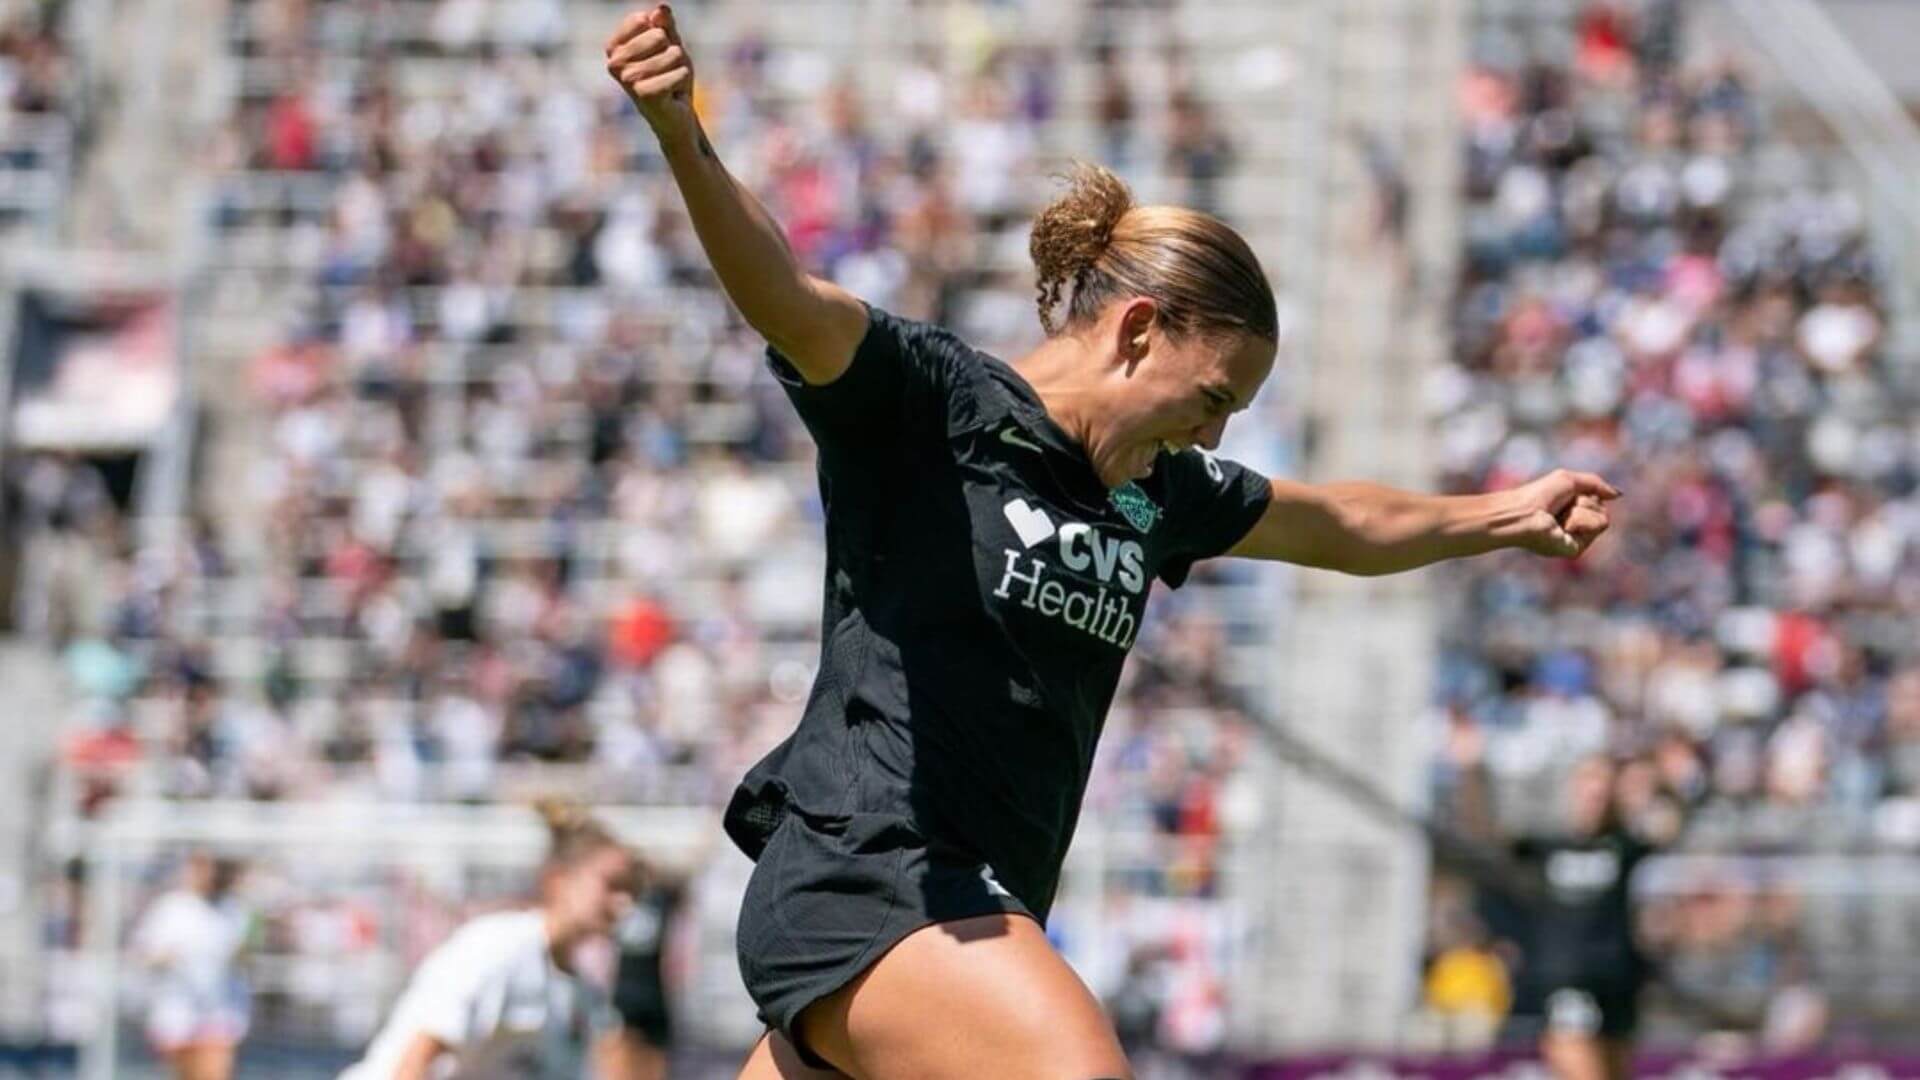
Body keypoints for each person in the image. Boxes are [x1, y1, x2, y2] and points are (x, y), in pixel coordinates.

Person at [605, 8, 1619, 1076]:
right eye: (1213, 396)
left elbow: (1336, 522)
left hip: (962, 914)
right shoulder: (932, 405)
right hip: (875, 879)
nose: (1216, 433)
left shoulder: (1157, 494)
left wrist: (1503, 514)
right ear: (1138, 332)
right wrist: (683, 133)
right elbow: (787, 297)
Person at [340, 799, 635, 1079]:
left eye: (631, 889)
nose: (624, 902)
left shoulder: (581, 995)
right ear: (558, 880)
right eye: (612, 885)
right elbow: (415, 1059)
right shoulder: (499, 949)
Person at [1495, 756, 1672, 1080]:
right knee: (1577, 1061)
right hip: (1565, 977)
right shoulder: (1546, 845)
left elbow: (1668, 827)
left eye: (1603, 785)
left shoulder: (1624, 845)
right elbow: (1487, 832)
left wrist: (1645, 788)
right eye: (1587, 782)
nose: (1595, 793)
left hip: (1617, 979)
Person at [131, 852, 252, 1080]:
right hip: (177, 1010)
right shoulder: (170, 907)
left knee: (213, 1070)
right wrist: (170, 957)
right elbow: (146, 953)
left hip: (219, 1009)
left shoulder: (234, 909)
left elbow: (242, 955)